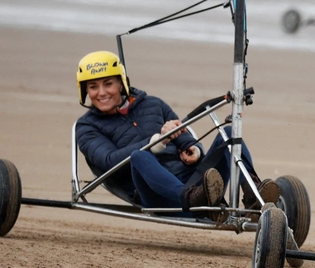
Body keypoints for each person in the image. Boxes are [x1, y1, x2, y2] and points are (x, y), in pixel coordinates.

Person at [74, 50, 279, 220]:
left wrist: (194, 150)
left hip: (200, 183)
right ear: (85, 90)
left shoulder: (153, 104)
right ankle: (193, 199)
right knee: (139, 156)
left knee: (228, 133)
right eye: (93, 87)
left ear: (121, 83)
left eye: (108, 84)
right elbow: (108, 162)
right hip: (157, 194)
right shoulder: (86, 127)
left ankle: (254, 197)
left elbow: (182, 131)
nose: (101, 93)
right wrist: (155, 142)